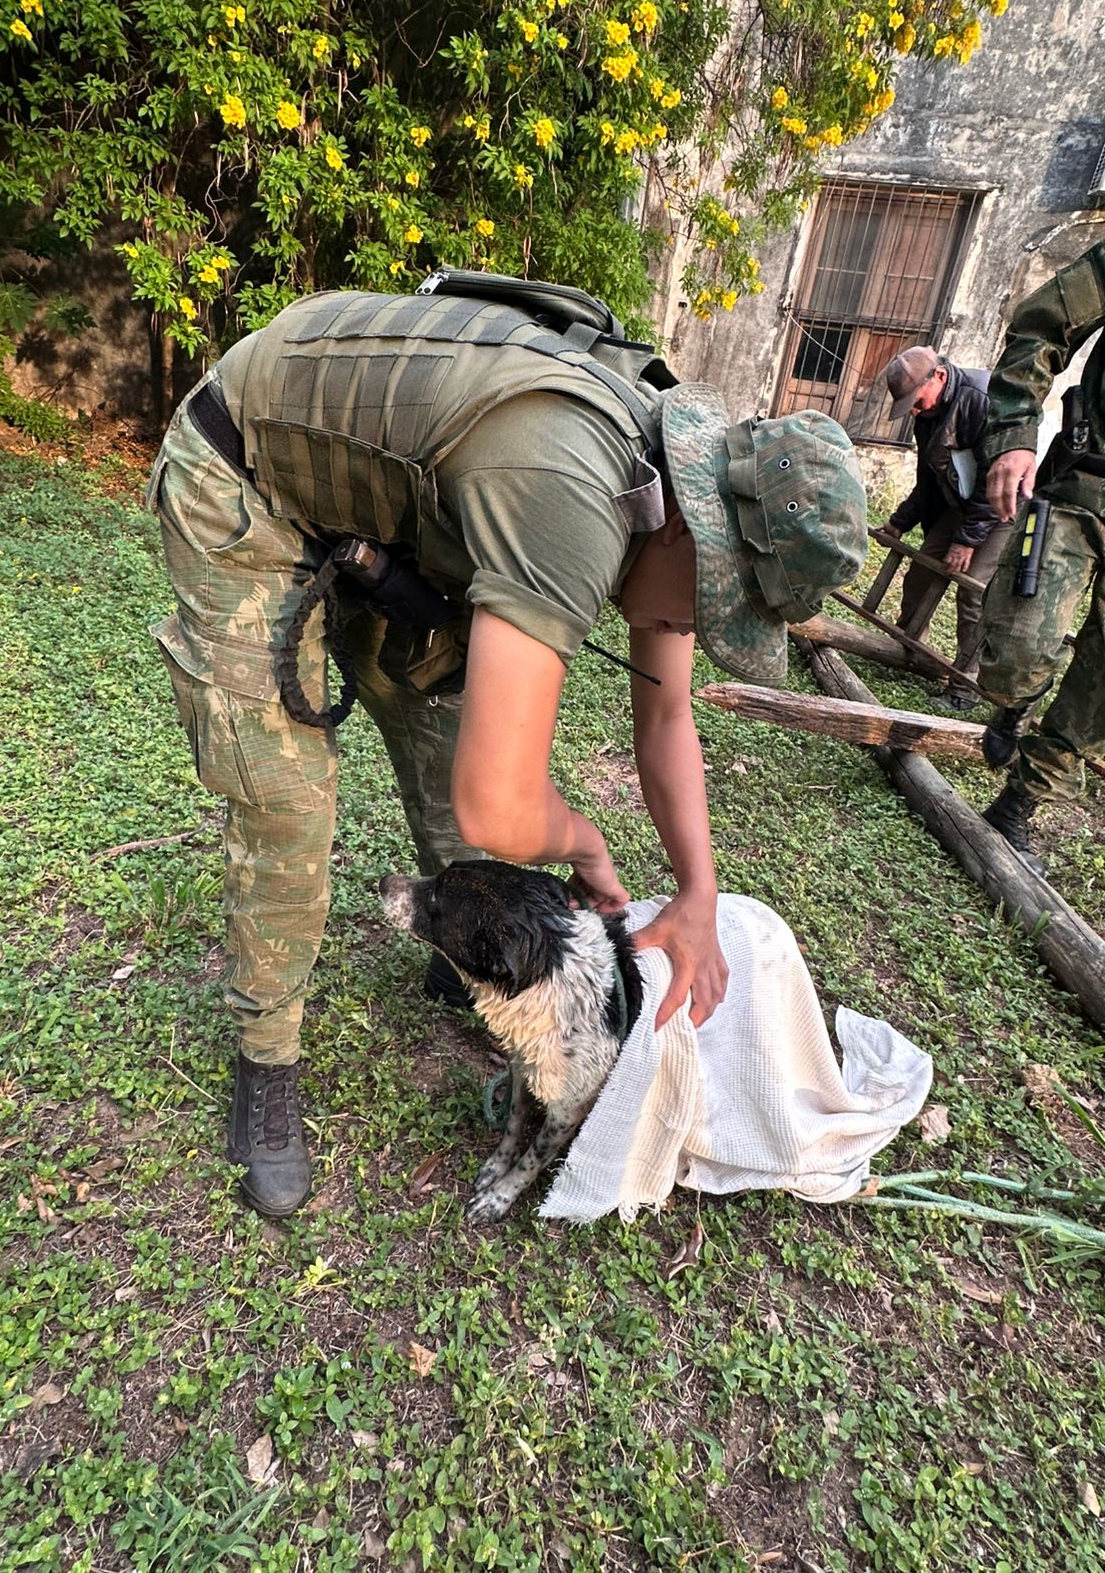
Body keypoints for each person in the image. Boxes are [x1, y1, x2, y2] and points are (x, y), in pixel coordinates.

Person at [147, 279, 867, 1216]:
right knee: (288, 801)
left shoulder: (668, 495)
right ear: (696, 526)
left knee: (444, 737)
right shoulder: (572, 498)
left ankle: (460, 953)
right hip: (245, 475)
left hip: (383, 527)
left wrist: (698, 894)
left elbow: (665, 715)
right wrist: (589, 845)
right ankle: (265, 1060)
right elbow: (504, 807)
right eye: (711, 604)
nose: (693, 625)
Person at [976, 235, 1105, 875]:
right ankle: (1013, 701)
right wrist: (1014, 433)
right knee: (1019, 648)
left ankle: (1018, 804)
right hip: (1085, 484)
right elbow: (1043, 322)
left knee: (1099, 697)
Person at [877, 345, 1011, 711]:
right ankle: (914, 651)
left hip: (1002, 506)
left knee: (972, 591)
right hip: (962, 503)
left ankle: (964, 686)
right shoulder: (929, 415)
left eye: (916, 402)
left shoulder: (981, 400)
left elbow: (993, 476)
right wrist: (900, 521)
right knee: (922, 570)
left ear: (938, 376)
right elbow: (928, 478)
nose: (915, 411)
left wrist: (967, 541)